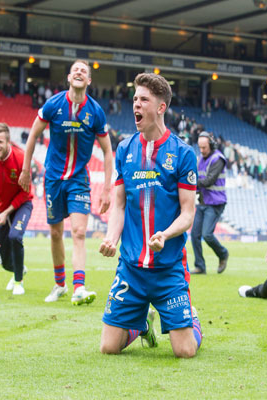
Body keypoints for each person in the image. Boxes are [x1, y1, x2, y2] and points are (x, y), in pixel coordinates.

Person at [99, 73, 202, 358]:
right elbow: (119, 205)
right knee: (108, 348)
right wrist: (111, 239)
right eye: (134, 99)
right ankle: (142, 324)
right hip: (131, 268)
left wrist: (165, 235)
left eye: (144, 99)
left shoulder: (182, 153)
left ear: (160, 107)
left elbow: (188, 214)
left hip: (168, 269)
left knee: (185, 352)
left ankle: (191, 318)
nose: (136, 105)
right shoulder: (125, 149)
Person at [18, 60, 113, 305]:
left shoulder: (96, 111)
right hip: (53, 178)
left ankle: (79, 287)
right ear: (69, 78)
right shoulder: (54, 104)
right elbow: (34, 134)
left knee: (79, 232)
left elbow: (107, 151)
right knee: (56, 232)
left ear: (89, 81)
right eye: (76, 70)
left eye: (85, 71)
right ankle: (60, 284)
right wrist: (26, 169)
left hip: (79, 179)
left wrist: (106, 189)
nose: (80, 73)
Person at [0, 123, 33, 295]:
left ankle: (18, 282)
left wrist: (6, 212)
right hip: (1, 209)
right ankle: (19, 269)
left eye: (0, 142)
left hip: (22, 204)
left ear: (8, 142)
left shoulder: (21, 159)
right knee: (5, 262)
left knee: (15, 236)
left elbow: (26, 193)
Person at [190, 131, 229, 274]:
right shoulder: (200, 159)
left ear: (211, 145)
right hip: (202, 202)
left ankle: (223, 253)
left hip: (215, 203)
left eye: (204, 148)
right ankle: (200, 266)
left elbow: (208, 181)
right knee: (194, 235)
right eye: (200, 148)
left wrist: (189, 184)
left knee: (207, 234)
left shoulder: (218, 159)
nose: (201, 151)